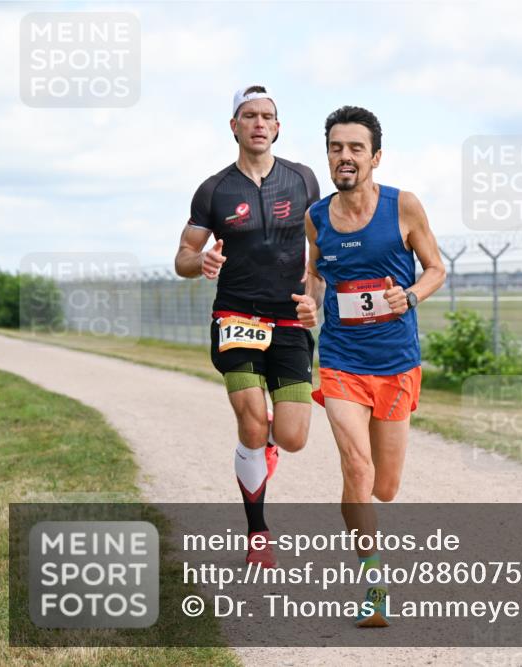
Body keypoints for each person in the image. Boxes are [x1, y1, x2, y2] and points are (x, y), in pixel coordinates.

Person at [304, 106, 445, 626]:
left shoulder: (403, 207)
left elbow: (436, 269)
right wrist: (309, 302)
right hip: (341, 360)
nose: (345, 157)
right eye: (336, 148)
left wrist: (408, 296)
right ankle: (374, 584)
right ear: (329, 156)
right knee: (357, 471)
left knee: (385, 486)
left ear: (375, 157)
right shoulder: (316, 217)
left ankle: (362, 511)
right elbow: (315, 277)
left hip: (395, 363)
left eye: (355, 148)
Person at [174, 85, 321, 568]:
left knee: (294, 436)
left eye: (267, 116)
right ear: (233, 126)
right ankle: (258, 530)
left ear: (278, 128)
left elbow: (319, 254)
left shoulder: (302, 180)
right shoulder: (214, 189)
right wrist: (204, 260)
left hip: (289, 319)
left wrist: (314, 303)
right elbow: (182, 258)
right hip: (236, 316)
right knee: (253, 421)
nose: (259, 123)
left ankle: (263, 446)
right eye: (249, 115)